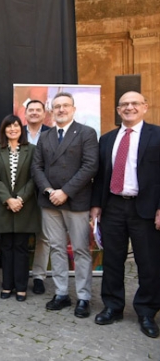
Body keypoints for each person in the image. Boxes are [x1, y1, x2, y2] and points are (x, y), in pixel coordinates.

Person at [91, 91, 160, 339]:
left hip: (146, 208)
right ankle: (112, 306)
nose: (129, 108)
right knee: (112, 259)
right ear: (118, 110)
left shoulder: (157, 135)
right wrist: (96, 205)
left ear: (144, 107)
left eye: (134, 103)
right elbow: (100, 176)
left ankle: (146, 311)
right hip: (113, 206)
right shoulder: (108, 139)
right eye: (124, 105)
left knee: (149, 262)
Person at [31, 92, 98, 318]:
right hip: (49, 201)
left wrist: (65, 191)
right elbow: (36, 167)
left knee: (80, 250)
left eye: (65, 106)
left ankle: (83, 297)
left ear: (73, 108)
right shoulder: (46, 136)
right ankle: (61, 293)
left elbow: (90, 166)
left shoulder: (86, 133)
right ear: (52, 110)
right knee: (57, 248)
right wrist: (50, 191)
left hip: (76, 201)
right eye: (57, 106)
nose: (61, 109)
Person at [0, 115, 40, 302]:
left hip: (24, 206)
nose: (13, 129)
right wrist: (8, 200)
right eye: (8, 126)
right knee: (6, 247)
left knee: (21, 248)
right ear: (3, 130)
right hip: (4, 207)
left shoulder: (32, 150)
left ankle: (21, 287)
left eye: (16, 125)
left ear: (22, 128)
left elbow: (35, 177)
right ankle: (7, 285)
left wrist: (19, 198)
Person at [23, 99, 51, 295]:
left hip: (44, 191)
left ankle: (39, 276)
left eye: (37, 110)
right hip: (21, 192)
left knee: (44, 236)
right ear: (25, 114)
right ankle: (21, 273)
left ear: (44, 113)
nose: (34, 113)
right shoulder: (15, 132)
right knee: (21, 235)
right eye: (30, 110)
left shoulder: (52, 134)